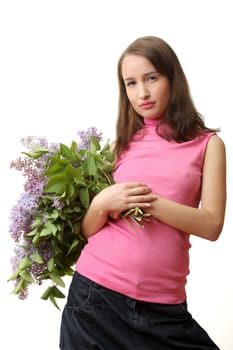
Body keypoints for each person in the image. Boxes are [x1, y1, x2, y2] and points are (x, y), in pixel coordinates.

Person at [59, 36, 226, 349]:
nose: (142, 93)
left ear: (172, 78)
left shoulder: (208, 145)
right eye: (131, 83)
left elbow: (211, 225)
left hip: (163, 310)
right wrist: (102, 203)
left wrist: (150, 203)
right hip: (95, 299)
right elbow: (87, 231)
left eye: (151, 78)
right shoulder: (118, 147)